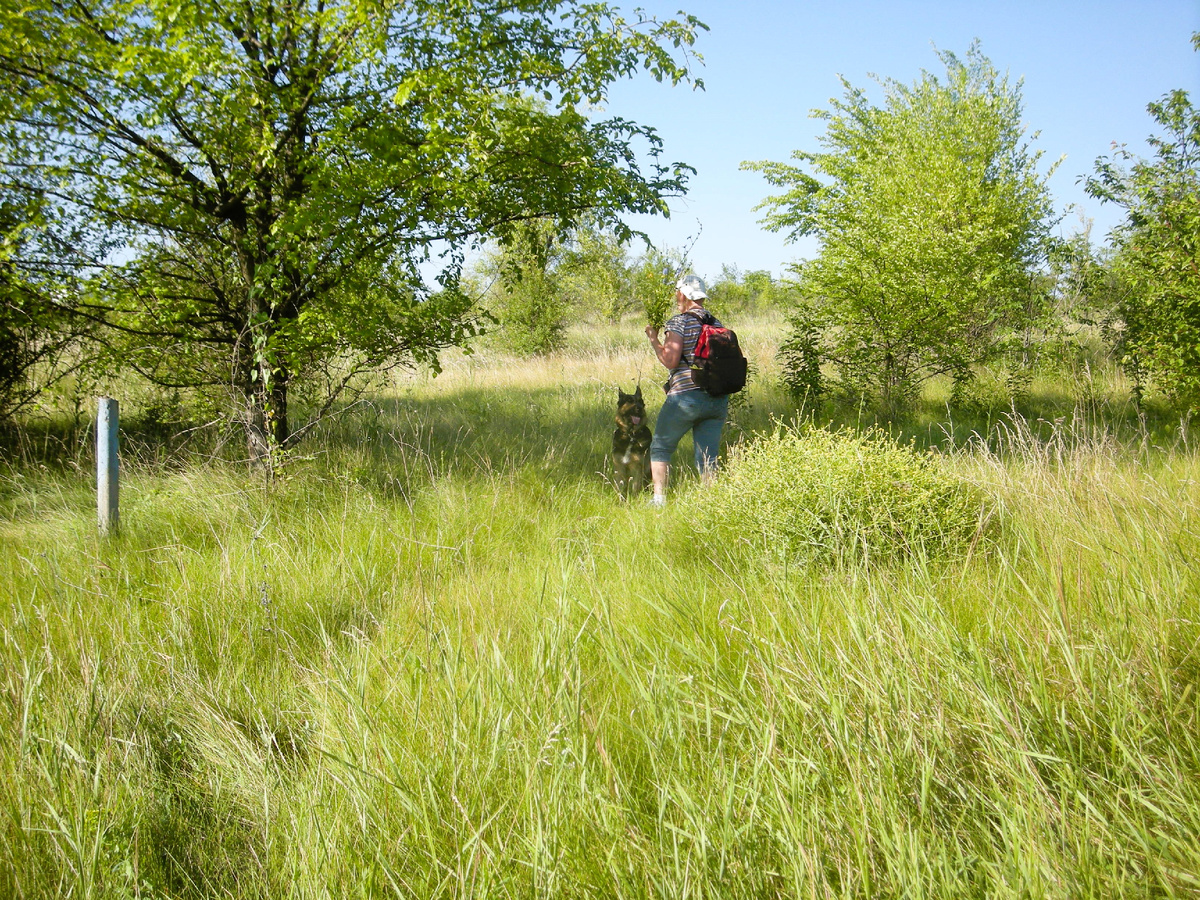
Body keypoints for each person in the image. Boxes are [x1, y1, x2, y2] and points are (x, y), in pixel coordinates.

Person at [644, 273, 729, 506]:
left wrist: (653, 338)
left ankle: (659, 501)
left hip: (685, 397)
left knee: (660, 446)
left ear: (682, 294)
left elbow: (670, 360)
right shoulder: (716, 324)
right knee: (708, 456)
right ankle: (712, 501)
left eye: (677, 293)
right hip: (717, 399)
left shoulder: (679, 322)